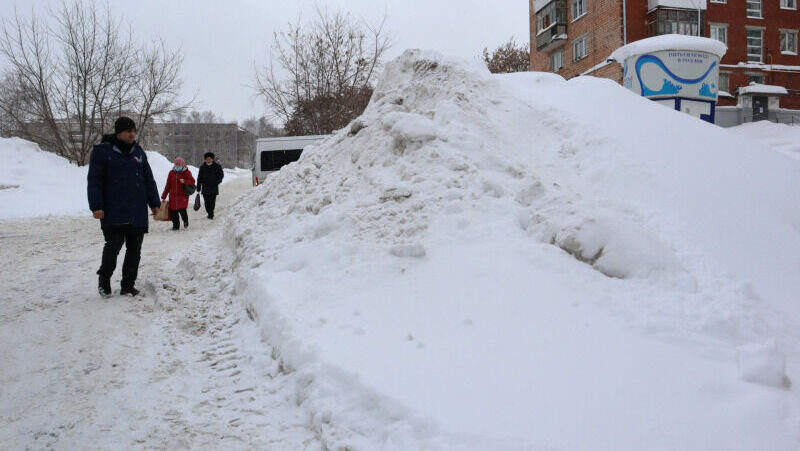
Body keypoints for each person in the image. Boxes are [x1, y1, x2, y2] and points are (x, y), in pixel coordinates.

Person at [87, 117, 161, 297]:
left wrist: (155, 203)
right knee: (112, 248)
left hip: (137, 211)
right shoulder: (102, 152)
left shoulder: (138, 152)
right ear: (118, 132)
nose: (132, 134)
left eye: (134, 131)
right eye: (129, 131)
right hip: (113, 211)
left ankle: (128, 285)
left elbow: (148, 179)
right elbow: (94, 181)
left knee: (134, 251)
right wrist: (96, 206)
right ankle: (104, 281)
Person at [161, 157, 195, 230]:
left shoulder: (186, 172)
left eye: (179, 164)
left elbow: (192, 181)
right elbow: (168, 185)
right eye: (176, 164)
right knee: (173, 213)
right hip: (173, 197)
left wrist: (185, 181)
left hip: (182, 197)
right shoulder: (171, 173)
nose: (177, 166)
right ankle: (176, 226)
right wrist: (164, 196)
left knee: (182, 211)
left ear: (182, 165)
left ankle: (185, 221)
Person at [196, 152, 224, 219]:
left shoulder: (217, 166)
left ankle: (211, 213)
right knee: (206, 202)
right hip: (205, 187)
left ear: (212, 159)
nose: (208, 160)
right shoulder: (202, 167)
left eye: (210, 158)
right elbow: (199, 178)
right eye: (207, 159)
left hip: (213, 187)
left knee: (212, 201)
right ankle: (209, 212)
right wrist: (198, 187)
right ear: (205, 159)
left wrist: (218, 181)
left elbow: (221, 175)